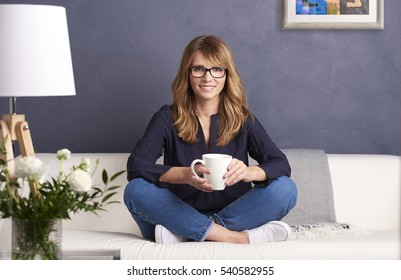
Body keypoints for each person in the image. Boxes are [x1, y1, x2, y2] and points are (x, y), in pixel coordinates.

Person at [124, 35, 297, 244]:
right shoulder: (167, 116)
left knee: (285, 188)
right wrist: (185, 175)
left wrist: (248, 172)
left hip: (230, 215)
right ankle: (235, 238)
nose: (208, 78)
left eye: (217, 69)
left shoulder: (243, 119)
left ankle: (189, 233)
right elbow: (136, 166)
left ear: (226, 74)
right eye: (198, 69)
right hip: (177, 212)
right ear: (187, 74)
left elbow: (280, 164)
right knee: (135, 190)